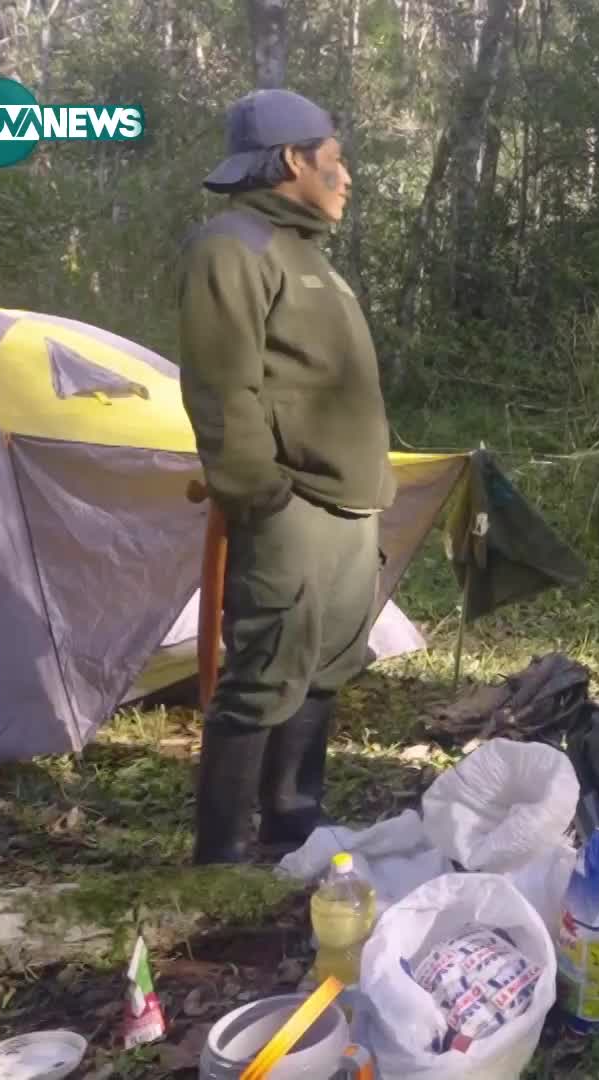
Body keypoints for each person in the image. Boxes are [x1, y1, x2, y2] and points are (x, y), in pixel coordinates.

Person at [177, 88, 394, 865]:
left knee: (327, 668)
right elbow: (221, 386)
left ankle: (290, 823)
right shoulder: (232, 246)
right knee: (264, 676)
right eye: (336, 160)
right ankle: (219, 863)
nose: (347, 177)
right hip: (291, 507)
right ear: (294, 159)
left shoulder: (311, 259)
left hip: (349, 509)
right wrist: (262, 496)